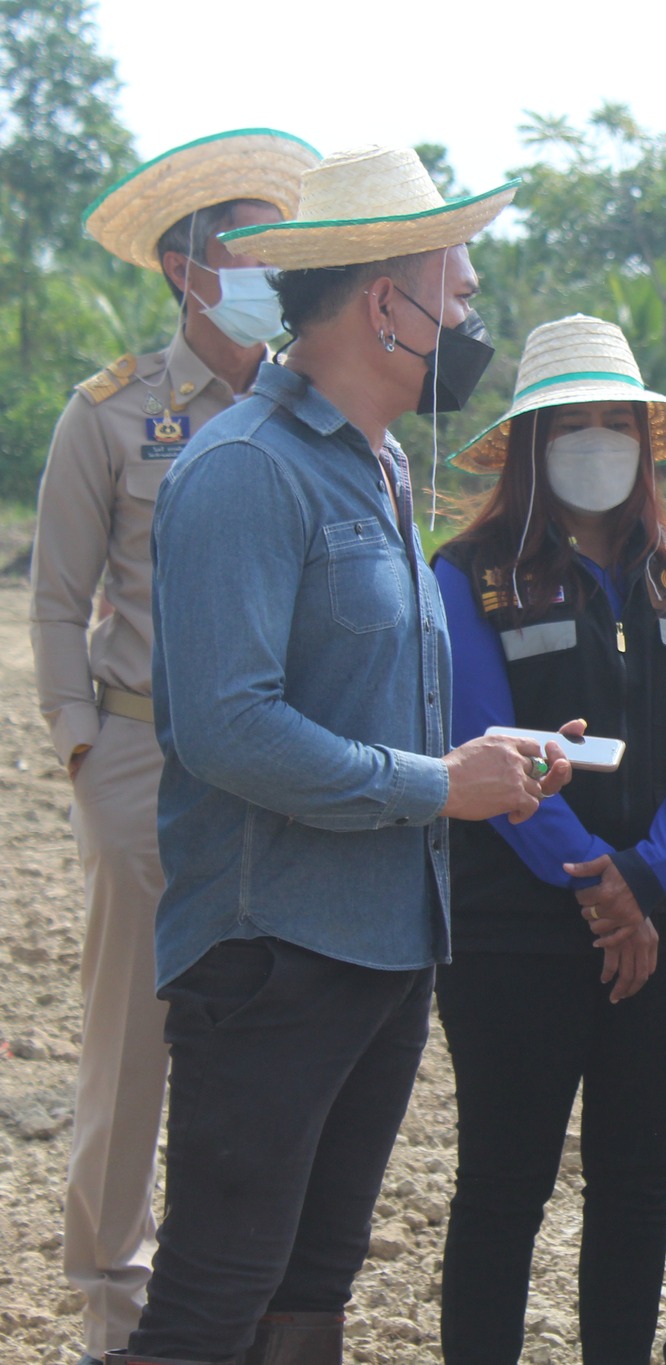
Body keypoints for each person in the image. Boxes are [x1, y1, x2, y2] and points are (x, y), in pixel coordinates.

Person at [114, 146, 573, 1365]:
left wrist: (479, 754)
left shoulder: (374, 464)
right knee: (214, 1301)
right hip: (273, 955)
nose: (471, 317)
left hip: (378, 940)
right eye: (459, 289)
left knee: (310, 1293)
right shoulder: (247, 471)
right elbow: (229, 727)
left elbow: (351, 690)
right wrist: (436, 787)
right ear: (387, 302)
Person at [32, 127, 319, 1365]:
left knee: (258, 1039)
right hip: (147, 761)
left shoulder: (314, 409)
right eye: (245, 248)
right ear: (183, 269)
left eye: (276, 245)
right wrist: (82, 745)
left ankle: (238, 1288)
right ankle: (111, 1300)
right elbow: (56, 595)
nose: (267, 271)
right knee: (131, 1040)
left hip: (285, 770)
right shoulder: (109, 415)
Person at [429, 315, 666, 1364]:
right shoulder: (468, 575)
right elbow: (483, 743)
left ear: (647, 442)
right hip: (511, 928)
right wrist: (590, 881)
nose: (595, 443)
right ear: (527, 443)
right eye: (569, 425)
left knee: (636, 1180)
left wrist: (644, 880)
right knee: (501, 1182)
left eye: (615, 423)